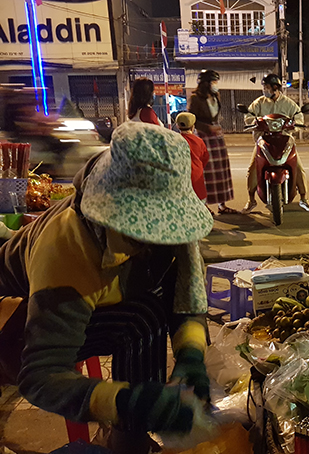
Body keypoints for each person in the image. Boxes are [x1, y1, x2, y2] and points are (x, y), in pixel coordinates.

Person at [0, 122, 214, 454]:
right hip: (15, 327)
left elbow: (186, 298)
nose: (154, 243)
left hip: (87, 312)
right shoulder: (66, 249)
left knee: (149, 312)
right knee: (141, 316)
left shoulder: (172, 234)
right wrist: (127, 401)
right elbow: (40, 376)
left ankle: (129, 441)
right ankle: (130, 431)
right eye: (141, 232)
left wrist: (191, 356)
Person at [242, 74, 309, 213]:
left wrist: (297, 124)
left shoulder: (288, 103)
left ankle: (304, 198)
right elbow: (249, 115)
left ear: (275, 88)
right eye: (264, 87)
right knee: (252, 168)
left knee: (298, 167)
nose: (265, 90)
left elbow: (298, 115)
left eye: (267, 87)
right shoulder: (259, 102)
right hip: (263, 140)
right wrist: (254, 122)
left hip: (285, 139)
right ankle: (251, 200)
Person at [189, 70, 237, 214]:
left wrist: (216, 126)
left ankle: (222, 204)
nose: (216, 85)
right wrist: (208, 127)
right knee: (207, 172)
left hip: (217, 137)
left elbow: (215, 115)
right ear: (206, 83)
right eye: (214, 82)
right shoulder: (196, 98)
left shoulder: (216, 96)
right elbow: (193, 119)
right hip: (204, 137)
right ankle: (204, 205)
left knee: (222, 171)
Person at [176, 112, 210, 205]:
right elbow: (205, 157)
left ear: (177, 126)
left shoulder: (174, 140)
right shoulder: (199, 141)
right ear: (192, 127)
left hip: (180, 179)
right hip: (196, 178)